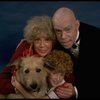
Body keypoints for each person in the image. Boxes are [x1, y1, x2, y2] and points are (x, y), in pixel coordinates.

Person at [0, 15, 74, 99]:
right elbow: (3, 78)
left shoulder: (57, 52)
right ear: (32, 41)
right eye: (37, 40)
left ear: (53, 41)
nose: (42, 45)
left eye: (47, 40)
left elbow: (68, 75)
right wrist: (16, 88)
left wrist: (71, 90)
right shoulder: (24, 49)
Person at [52, 7, 100, 99]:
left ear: (77, 25)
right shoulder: (53, 42)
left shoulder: (97, 38)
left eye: (67, 29)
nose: (63, 36)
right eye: (58, 31)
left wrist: (76, 91)